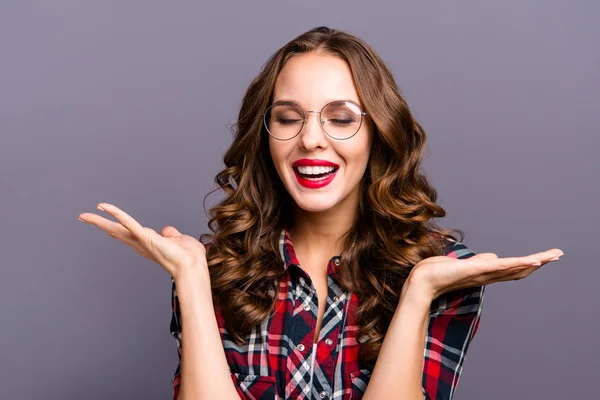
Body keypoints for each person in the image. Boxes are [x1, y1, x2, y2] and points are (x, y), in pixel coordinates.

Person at [77, 26, 564, 400]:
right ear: (265, 136)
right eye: (288, 117)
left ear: (378, 134)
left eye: (341, 118)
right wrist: (189, 275)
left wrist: (419, 292)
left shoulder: (441, 275)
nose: (311, 138)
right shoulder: (218, 271)